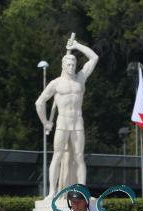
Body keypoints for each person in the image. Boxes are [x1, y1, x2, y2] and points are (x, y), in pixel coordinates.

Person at [35, 35, 99, 198]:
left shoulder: (81, 78)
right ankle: (51, 192)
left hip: (77, 123)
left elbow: (94, 57)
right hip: (62, 123)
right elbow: (39, 102)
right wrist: (46, 122)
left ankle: (82, 191)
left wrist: (77, 45)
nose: (71, 67)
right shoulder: (56, 83)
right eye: (68, 64)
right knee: (57, 156)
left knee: (79, 157)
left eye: (73, 64)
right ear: (63, 65)